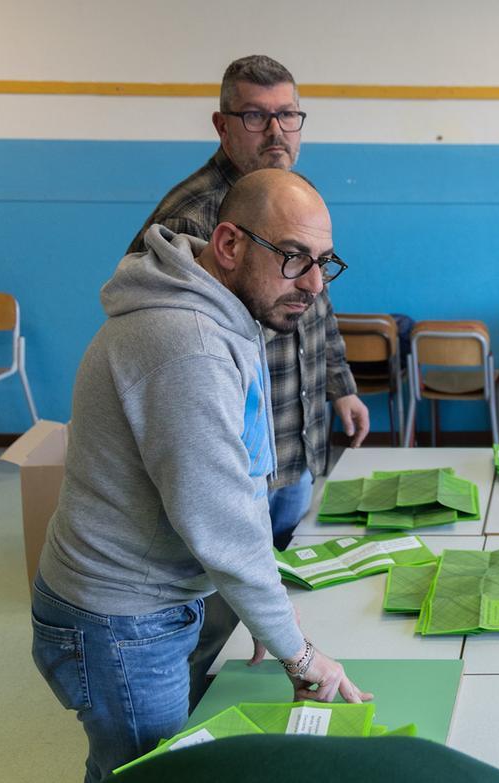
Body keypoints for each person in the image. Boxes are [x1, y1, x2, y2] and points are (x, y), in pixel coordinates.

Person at [33, 169, 371, 783]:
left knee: (137, 769)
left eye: (324, 262)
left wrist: (267, 614)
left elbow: (240, 481)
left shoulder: (219, 311)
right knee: (146, 775)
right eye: (294, 257)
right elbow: (219, 518)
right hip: (120, 617)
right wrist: (301, 654)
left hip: (142, 600)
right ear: (229, 244)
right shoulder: (189, 345)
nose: (314, 284)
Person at [127, 54, 368, 549]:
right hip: (235, 467)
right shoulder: (189, 221)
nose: (276, 131)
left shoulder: (296, 197)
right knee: (234, 591)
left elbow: (317, 300)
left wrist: (341, 386)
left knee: (286, 575)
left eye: (288, 115)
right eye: (256, 116)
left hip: (297, 446)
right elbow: (161, 357)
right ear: (223, 126)